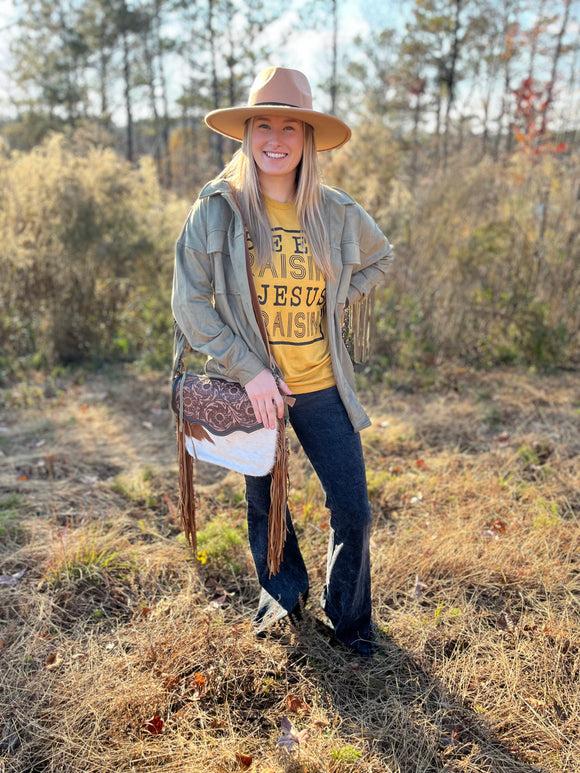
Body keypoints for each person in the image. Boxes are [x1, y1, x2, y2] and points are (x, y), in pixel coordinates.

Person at [172, 66, 393, 657]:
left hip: (322, 385)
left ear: (308, 138)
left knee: (353, 508)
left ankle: (349, 620)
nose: (276, 138)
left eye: (290, 127)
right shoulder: (219, 210)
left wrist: (336, 296)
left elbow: (380, 257)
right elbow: (188, 302)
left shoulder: (336, 211)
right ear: (247, 133)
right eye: (262, 124)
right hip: (257, 390)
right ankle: (282, 597)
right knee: (266, 504)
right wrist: (249, 370)